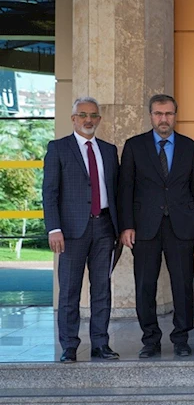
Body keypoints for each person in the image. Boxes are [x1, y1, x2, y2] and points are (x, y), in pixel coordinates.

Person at [118, 94, 194, 358]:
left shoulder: (189, 146)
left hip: (181, 226)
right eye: (158, 113)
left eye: (168, 114)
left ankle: (181, 338)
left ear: (175, 115)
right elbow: (125, 188)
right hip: (144, 227)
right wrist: (126, 226)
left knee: (183, 285)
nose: (163, 119)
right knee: (145, 285)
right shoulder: (134, 146)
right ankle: (150, 339)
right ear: (150, 115)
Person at [43, 97, 120, 363]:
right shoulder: (58, 148)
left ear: (99, 119)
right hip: (71, 232)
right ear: (73, 118)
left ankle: (100, 344)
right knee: (69, 291)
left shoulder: (109, 150)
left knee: (102, 289)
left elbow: (116, 191)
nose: (88, 120)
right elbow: (50, 192)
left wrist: (121, 228)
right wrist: (54, 228)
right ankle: (70, 346)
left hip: (104, 228)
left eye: (93, 115)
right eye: (83, 115)